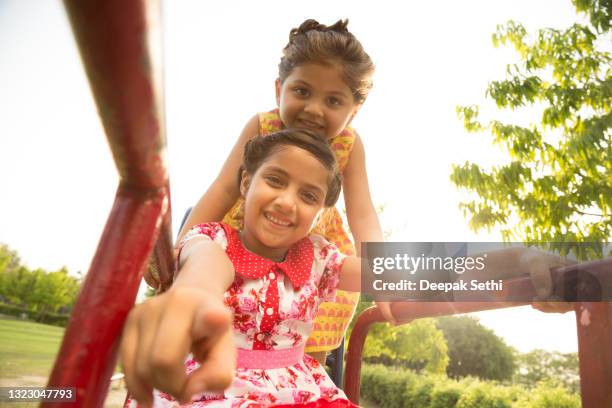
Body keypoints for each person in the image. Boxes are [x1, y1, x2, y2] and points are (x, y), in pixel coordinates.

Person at [122, 129, 565, 407]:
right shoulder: (214, 241)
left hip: (299, 391)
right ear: (246, 183)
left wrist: (517, 256)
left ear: (320, 212)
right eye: (275, 180)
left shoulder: (318, 259)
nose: (286, 202)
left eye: (308, 195)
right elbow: (200, 280)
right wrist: (187, 307)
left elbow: (420, 268)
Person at [161, 18, 391, 363]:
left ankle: (299, 373)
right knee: (219, 292)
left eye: (333, 101)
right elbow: (225, 187)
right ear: (278, 89)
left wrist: (385, 274)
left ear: (353, 111)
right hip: (248, 236)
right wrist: (179, 254)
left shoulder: (349, 145)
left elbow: (362, 212)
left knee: (307, 326)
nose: (314, 109)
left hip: (309, 252)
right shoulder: (262, 126)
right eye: (302, 91)